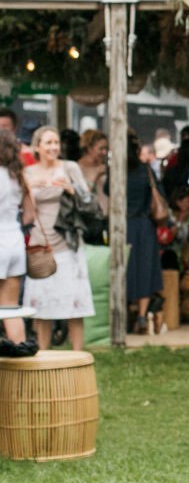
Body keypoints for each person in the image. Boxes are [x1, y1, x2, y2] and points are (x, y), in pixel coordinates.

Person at [22, 126, 96, 349]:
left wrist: (71, 189)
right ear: (38, 147)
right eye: (48, 143)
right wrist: (27, 190)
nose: (54, 147)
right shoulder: (28, 173)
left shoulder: (69, 167)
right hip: (40, 244)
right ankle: (43, 355)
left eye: (56, 142)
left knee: (74, 304)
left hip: (67, 243)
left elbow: (89, 202)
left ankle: (77, 354)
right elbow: (24, 213)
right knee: (42, 306)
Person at [124, 129, 165, 334]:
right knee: (145, 271)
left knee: (125, 270)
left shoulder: (118, 172)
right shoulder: (146, 170)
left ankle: (124, 313)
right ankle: (141, 316)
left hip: (123, 226)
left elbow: (106, 190)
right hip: (145, 226)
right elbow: (160, 193)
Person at [0, 129, 33, 343]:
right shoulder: (18, 176)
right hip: (15, 242)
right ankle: (20, 357)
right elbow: (30, 214)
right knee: (11, 309)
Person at [77, 129, 109, 215]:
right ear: (89, 148)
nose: (104, 152)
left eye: (106, 148)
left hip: (106, 218)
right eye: (101, 149)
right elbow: (80, 197)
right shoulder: (76, 169)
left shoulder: (106, 169)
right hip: (86, 218)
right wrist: (95, 176)